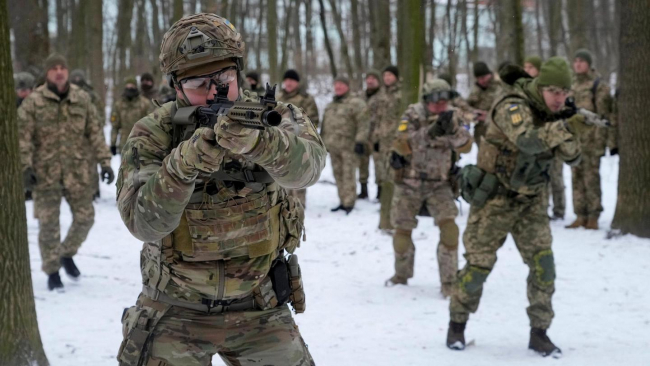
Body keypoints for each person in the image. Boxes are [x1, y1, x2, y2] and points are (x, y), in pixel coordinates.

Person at [115, 14, 324, 365]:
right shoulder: (153, 132)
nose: (215, 92)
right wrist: (183, 166)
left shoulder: (272, 115)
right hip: (175, 310)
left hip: (260, 307)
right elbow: (143, 223)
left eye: (224, 78)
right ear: (176, 87)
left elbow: (309, 169)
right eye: (199, 83)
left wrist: (262, 144)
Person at [447, 58, 590, 357]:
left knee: (544, 266)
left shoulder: (556, 112)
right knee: (477, 269)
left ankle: (539, 333)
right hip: (495, 199)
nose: (559, 98)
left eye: (564, 92)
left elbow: (574, 158)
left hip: (532, 201)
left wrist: (568, 126)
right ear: (541, 87)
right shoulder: (512, 104)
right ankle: (456, 325)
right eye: (554, 92)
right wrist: (563, 126)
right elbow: (526, 141)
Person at [18, 53, 114, 291]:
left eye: (62, 67)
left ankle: (66, 253)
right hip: (45, 173)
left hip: (77, 171)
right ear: (47, 73)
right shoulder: (34, 102)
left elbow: (94, 132)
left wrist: (105, 162)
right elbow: (23, 137)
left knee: (86, 218)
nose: (59, 72)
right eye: (54, 68)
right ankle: (52, 271)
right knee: (49, 225)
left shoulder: (81, 99)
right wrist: (25, 166)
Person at [386, 79, 472, 295]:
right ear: (427, 100)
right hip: (409, 183)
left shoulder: (454, 115)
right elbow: (401, 142)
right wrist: (430, 132)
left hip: (440, 184)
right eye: (436, 102)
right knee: (402, 234)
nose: (440, 106)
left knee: (450, 231)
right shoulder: (413, 114)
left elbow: (466, 145)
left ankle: (449, 283)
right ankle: (401, 275)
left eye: (444, 101)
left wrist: (452, 130)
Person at [566, 49, 616, 230]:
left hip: (592, 140)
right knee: (575, 177)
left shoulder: (598, 86)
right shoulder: (571, 87)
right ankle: (580, 214)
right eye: (576, 61)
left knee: (591, 177)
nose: (578, 64)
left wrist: (606, 142)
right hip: (575, 140)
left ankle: (593, 215)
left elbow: (605, 116)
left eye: (582, 61)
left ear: (588, 64)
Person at [321, 76, 369, 214]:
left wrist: (360, 141)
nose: (338, 87)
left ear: (347, 86)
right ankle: (342, 200)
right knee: (338, 175)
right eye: (336, 84)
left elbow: (363, 124)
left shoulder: (356, 103)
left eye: (341, 84)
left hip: (350, 147)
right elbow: (325, 126)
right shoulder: (331, 105)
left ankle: (349, 202)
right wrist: (323, 143)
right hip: (333, 147)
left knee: (348, 175)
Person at [277, 69, 320, 208]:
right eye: (286, 80)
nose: (288, 83)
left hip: (300, 143)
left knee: (299, 174)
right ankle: (284, 203)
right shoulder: (279, 97)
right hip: (280, 143)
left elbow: (313, 120)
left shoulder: (306, 98)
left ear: (297, 82)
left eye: (291, 80)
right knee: (281, 173)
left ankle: (299, 205)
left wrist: (305, 138)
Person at [70, 69, 106, 200]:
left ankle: (94, 190)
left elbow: (100, 114)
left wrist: (97, 127)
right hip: (74, 134)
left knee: (91, 163)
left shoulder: (91, 95)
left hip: (90, 133)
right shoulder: (68, 93)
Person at [377, 65, 402, 232]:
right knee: (384, 177)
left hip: (397, 141)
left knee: (395, 178)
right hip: (383, 142)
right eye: (384, 75)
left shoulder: (401, 94)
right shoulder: (381, 94)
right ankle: (385, 217)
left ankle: (395, 218)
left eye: (390, 75)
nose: (387, 78)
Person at [110, 77, 153, 155]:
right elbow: (115, 126)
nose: (129, 88)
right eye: (128, 86)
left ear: (136, 87)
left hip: (141, 144)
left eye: (132, 86)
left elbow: (151, 125)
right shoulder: (119, 104)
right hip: (124, 144)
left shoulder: (144, 103)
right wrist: (113, 143)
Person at [364, 70, 390, 200]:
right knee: (362, 164)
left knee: (379, 166)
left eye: (373, 78)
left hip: (377, 136)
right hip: (363, 136)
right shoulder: (361, 96)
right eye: (368, 78)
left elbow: (384, 118)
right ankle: (363, 190)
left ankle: (381, 192)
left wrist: (380, 136)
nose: (370, 81)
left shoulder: (383, 97)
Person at [467, 62, 504, 148]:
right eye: (478, 78)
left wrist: (488, 116)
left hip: (499, 132)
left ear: (489, 74)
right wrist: (474, 113)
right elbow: (466, 106)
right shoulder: (476, 90)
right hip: (481, 134)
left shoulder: (500, 86)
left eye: (483, 77)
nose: (481, 81)